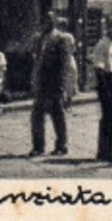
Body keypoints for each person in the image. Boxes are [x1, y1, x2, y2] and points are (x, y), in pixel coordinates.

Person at [29, 12, 77, 157]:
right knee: (37, 115)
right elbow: (37, 60)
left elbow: (64, 64)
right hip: (42, 80)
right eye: (44, 20)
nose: (46, 23)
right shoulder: (39, 39)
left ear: (54, 22)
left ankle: (62, 145)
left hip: (55, 81)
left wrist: (63, 84)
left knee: (57, 115)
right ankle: (38, 146)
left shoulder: (60, 39)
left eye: (49, 20)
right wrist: (35, 80)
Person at [89, 17, 112, 162]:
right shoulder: (101, 45)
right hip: (107, 83)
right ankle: (108, 152)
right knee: (109, 119)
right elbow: (99, 69)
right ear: (107, 28)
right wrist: (105, 90)